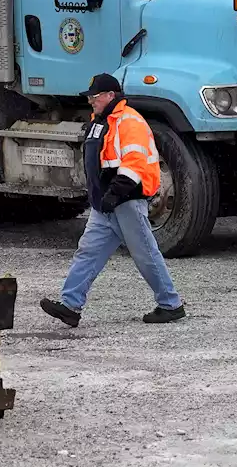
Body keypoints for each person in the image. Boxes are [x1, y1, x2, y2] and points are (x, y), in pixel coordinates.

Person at [40, 73, 186, 327]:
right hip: (107, 203)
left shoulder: (129, 122)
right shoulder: (102, 121)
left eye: (95, 97)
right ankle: (70, 305)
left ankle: (170, 304)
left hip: (125, 201)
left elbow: (135, 164)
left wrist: (115, 194)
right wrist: (104, 198)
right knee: (89, 252)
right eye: (90, 98)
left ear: (110, 96)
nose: (91, 102)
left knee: (145, 254)